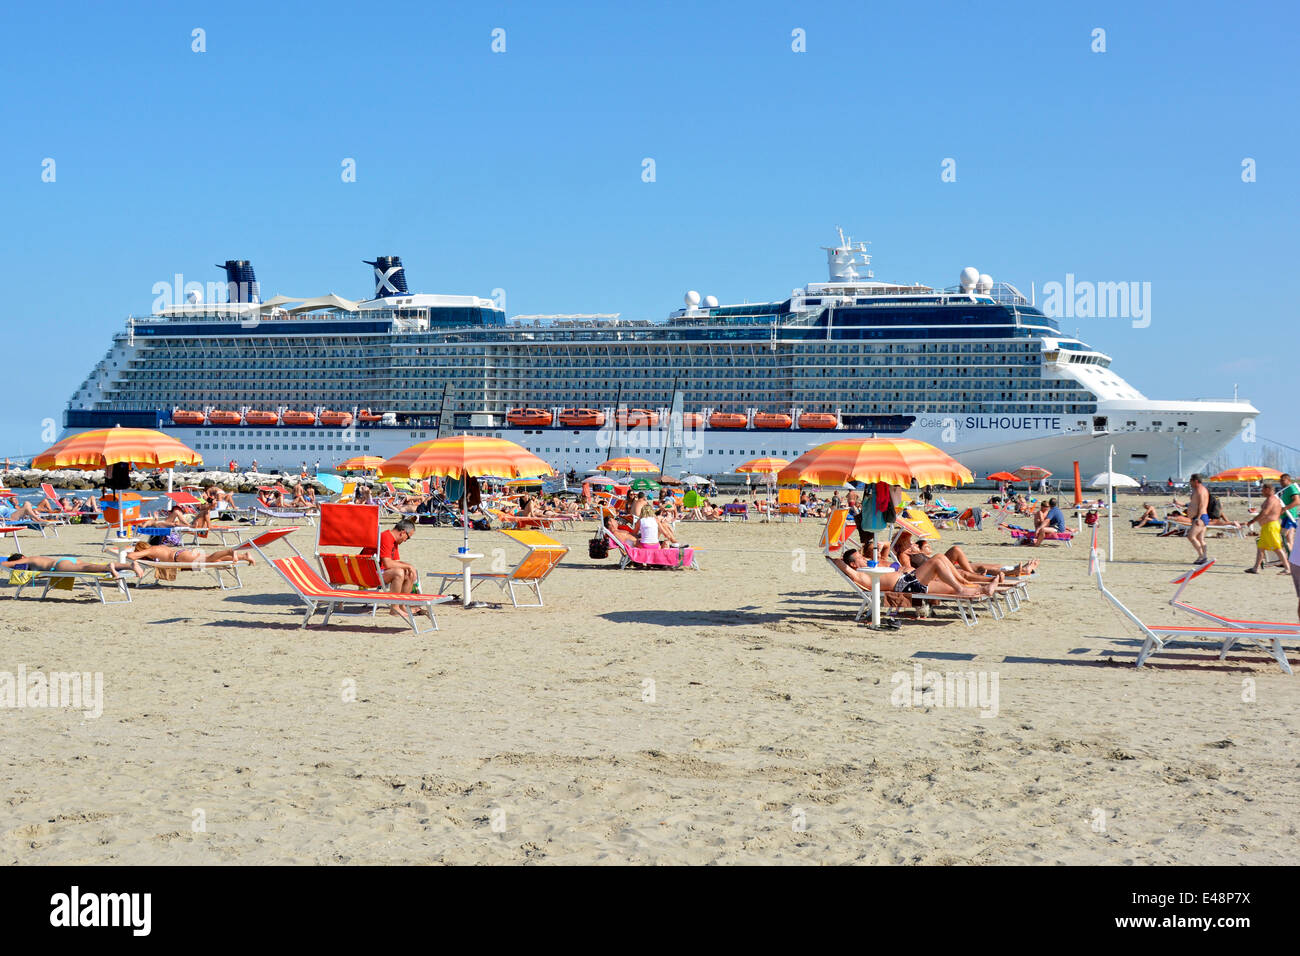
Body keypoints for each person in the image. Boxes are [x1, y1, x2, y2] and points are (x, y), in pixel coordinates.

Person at [360, 517, 420, 618]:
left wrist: (410, 568)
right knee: (399, 573)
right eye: (408, 537)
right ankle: (394, 608)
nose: (406, 541)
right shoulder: (386, 537)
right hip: (368, 575)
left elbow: (395, 562)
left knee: (407, 573)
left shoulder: (393, 541)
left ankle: (402, 605)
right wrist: (409, 566)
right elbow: (388, 564)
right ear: (402, 532)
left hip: (378, 572)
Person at [1245, 483, 1288, 574]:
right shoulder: (1271, 499)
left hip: (1271, 527)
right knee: (1261, 547)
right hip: (1267, 527)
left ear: (1268, 489)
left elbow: (1265, 512)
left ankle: (1288, 568)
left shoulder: (1272, 500)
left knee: (1277, 548)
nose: (1262, 492)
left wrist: (1252, 521)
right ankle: (1255, 568)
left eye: (1263, 490)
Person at [3, 552, 143, 579]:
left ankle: (109, 567)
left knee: (86, 569)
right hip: (66, 559)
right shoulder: (36, 557)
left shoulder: (26, 560)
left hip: (58, 565)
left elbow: (7, 563)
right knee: (90, 565)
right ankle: (129, 566)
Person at [130, 539, 256, 568]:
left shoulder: (151, 551)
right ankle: (244, 556)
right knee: (215, 561)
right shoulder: (157, 547)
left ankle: (230, 551)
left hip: (179, 557)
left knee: (210, 559)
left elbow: (131, 556)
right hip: (181, 553)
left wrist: (131, 556)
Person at [1186, 473, 1210, 565]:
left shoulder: (1201, 490)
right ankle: (1203, 556)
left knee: (1191, 536)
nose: (1190, 483)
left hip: (1200, 517)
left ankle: (1202, 556)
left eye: (1191, 481)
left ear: (1196, 481)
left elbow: (1202, 505)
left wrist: (1198, 518)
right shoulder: (1196, 490)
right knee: (1200, 538)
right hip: (1198, 517)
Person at [1277, 473, 1299, 552]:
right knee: (1289, 539)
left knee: (1284, 536)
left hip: (1290, 516)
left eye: (1283, 480)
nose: (1281, 482)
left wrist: (1285, 509)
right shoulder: (1286, 489)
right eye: (1280, 481)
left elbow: (1297, 501)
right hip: (1287, 516)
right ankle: (1291, 560)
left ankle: (1290, 560)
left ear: (1288, 480)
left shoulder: (1291, 488)